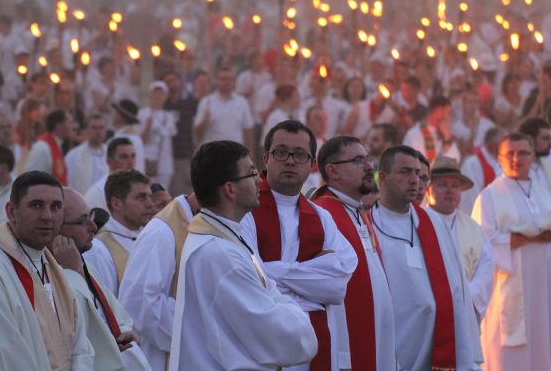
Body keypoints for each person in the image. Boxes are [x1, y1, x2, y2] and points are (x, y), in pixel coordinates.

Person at [168, 140, 318, 371]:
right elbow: (286, 340)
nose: (260, 179)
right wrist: (296, 310)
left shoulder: (224, 239)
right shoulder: (221, 255)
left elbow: (270, 296)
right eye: (252, 173)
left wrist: (277, 300)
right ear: (230, 189)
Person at [241, 120, 357, 371]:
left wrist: (273, 272)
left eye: (300, 154)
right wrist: (311, 279)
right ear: (266, 158)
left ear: (312, 164)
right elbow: (247, 277)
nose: (290, 160)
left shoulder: (321, 217)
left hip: (315, 341)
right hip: (261, 338)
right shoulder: (245, 211)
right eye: (281, 152)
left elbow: (336, 287)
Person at [0, 171, 94, 370]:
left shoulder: (52, 267)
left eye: (56, 207)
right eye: (36, 205)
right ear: (11, 211)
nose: (47, 216)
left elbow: (80, 347)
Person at [371, 145, 482, 371]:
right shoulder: (367, 223)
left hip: (435, 345)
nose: (415, 180)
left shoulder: (433, 223)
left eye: (419, 174)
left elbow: (456, 288)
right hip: (391, 338)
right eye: (405, 172)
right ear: (382, 177)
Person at [472, 133, 551, 371]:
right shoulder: (488, 197)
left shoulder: (543, 193)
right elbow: (483, 245)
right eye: (510, 154)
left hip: (543, 292)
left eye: (523, 153)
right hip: (509, 293)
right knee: (508, 354)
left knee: (540, 350)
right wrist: (518, 238)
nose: (516, 159)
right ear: (499, 158)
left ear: (532, 157)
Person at [312, 136, 396, 370]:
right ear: (333, 171)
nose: (370, 166)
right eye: (359, 160)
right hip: (347, 346)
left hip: (378, 341)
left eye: (368, 159)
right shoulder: (322, 215)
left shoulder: (357, 212)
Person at [54, 187, 151, 371]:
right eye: (83, 221)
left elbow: (113, 319)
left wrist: (124, 334)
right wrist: (74, 275)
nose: (94, 227)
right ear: (57, 228)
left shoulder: (84, 265)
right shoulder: (49, 277)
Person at [119, 191, 198, 371]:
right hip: (161, 359)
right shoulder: (161, 232)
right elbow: (140, 304)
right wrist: (199, 327)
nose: (257, 181)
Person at [426, 156, 495, 320]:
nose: (450, 190)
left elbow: (487, 263)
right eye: (442, 185)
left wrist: (468, 294)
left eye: (455, 185)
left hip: (467, 310)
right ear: (428, 189)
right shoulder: (418, 222)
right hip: (431, 310)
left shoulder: (473, 227)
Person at [84, 169, 153, 296]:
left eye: (150, 196)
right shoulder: (98, 249)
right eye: (141, 197)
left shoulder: (148, 236)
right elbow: (104, 305)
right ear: (116, 203)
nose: (150, 204)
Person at [193, 66, 255, 154]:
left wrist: (250, 155)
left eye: (229, 79)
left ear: (233, 82)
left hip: (235, 155)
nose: (226, 82)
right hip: (212, 155)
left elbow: (248, 131)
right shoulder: (207, 102)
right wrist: (205, 121)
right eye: (223, 79)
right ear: (216, 80)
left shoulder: (242, 102)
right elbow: (197, 134)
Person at [138, 81, 177, 188]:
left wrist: (171, 167)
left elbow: (170, 144)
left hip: (165, 164)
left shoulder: (169, 116)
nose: (158, 96)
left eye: (161, 93)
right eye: (155, 92)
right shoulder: (142, 113)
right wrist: (147, 128)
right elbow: (138, 141)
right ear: (150, 95)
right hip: (147, 161)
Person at [460, 127, 505, 214]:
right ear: (492, 145)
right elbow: (470, 197)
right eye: (503, 143)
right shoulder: (472, 163)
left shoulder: (502, 162)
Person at [403, 95, 461, 162]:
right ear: (439, 112)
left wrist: (447, 138)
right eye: (448, 113)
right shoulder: (414, 135)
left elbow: (455, 161)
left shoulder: (445, 135)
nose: (450, 118)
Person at [84, 138, 136, 211]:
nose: (131, 162)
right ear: (109, 161)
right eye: (124, 157)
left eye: (133, 156)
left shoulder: (139, 188)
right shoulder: (97, 194)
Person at [519, 118, 551, 200]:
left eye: (550, 138)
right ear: (530, 140)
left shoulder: (548, 164)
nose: (550, 143)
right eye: (545, 139)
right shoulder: (518, 171)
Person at [25, 108, 75, 185]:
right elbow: (34, 180)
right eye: (69, 123)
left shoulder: (56, 145)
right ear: (59, 125)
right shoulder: (42, 148)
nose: (73, 127)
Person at [65, 113, 109, 195]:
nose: (98, 132)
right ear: (87, 130)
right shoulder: (73, 155)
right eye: (94, 128)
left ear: (106, 130)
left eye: (101, 127)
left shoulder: (111, 153)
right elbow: (68, 184)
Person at [111, 99, 146, 173]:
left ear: (121, 116)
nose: (113, 115)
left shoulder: (121, 139)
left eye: (116, 113)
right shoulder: (136, 138)